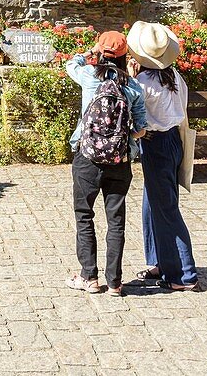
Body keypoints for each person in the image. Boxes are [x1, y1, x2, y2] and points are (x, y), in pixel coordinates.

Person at [65, 31, 148, 296]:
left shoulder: (89, 77)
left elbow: (70, 64)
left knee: (84, 216)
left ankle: (89, 277)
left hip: (87, 159)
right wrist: (124, 136)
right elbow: (141, 129)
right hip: (119, 161)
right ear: (126, 56)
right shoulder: (133, 87)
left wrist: (89, 51)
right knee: (116, 221)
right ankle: (115, 282)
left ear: (100, 52)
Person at [126, 21, 200, 292]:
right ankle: (159, 260)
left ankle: (183, 274)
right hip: (173, 141)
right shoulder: (175, 78)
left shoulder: (143, 83)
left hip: (155, 143)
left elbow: (135, 114)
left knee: (166, 207)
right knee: (153, 201)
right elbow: (180, 110)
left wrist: (131, 80)